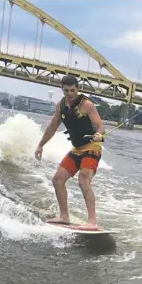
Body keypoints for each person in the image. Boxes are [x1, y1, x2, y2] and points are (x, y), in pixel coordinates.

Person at [34, 75, 105, 231]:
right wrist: (40, 145)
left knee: (83, 179)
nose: (70, 93)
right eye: (66, 90)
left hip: (92, 147)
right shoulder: (60, 106)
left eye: (73, 90)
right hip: (77, 149)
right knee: (57, 179)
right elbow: (52, 128)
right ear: (62, 90)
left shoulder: (87, 104)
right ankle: (64, 216)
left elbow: (100, 126)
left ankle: (92, 222)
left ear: (77, 89)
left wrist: (99, 133)